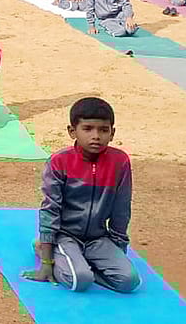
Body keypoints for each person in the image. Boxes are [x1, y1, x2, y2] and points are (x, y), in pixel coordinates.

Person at [22, 97, 140, 294]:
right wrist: (46, 262)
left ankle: (81, 262)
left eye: (103, 130)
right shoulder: (60, 161)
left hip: (98, 239)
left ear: (112, 133)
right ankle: (43, 247)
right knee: (80, 280)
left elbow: (121, 209)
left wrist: (118, 251)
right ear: (72, 131)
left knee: (129, 282)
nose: (96, 136)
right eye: (88, 128)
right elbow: (50, 209)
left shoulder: (120, 162)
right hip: (65, 236)